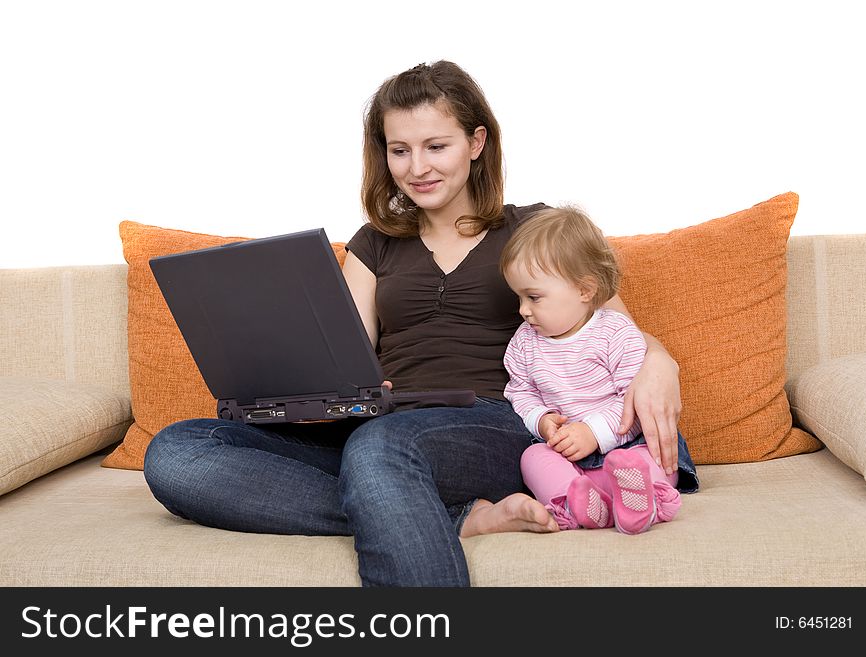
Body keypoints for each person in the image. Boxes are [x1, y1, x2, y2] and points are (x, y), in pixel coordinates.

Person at [143, 60, 687, 586]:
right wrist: (319, 394)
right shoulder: (374, 244)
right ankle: (449, 516)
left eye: (436, 146)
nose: (417, 168)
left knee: (379, 449)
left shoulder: (534, 229)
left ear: (476, 144)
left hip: (492, 423)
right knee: (178, 454)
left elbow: (611, 326)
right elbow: (345, 354)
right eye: (399, 150)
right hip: (379, 423)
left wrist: (660, 363)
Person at [501, 206, 698, 534]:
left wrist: (594, 433)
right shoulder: (524, 343)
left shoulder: (615, 334)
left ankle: (641, 501)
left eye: (534, 297)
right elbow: (519, 391)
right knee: (533, 457)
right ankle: (577, 502)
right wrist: (541, 419)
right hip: (571, 456)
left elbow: (634, 403)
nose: (523, 310)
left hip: (627, 445)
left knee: (653, 456)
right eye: (519, 297)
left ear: (584, 290)